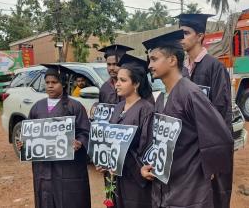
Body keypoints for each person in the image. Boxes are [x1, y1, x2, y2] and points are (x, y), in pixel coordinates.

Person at [140, 30, 234, 208]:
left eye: (154, 59)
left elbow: (219, 136)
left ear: (172, 60)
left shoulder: (191, 93)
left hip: (189, 186)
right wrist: (149, 163)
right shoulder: (161, 98)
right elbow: (160, 140)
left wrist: (210, 169)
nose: (150, 65)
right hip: (164, 183)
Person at [176, 13, 234, 208]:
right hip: (188, 150)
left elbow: (222, 113)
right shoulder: (182, 71)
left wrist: (215, 156)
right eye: (179, 33)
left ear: (200, 36)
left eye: (185, 33)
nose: (181, 38)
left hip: (209, 148)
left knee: (215, 195)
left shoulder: (215, 68)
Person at [17, 64, 91, 208]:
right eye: (47, 82)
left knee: (69, 200)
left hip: (68, 167)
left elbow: (85, 132)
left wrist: (80, 143)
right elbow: (29, 133)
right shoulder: (37, 107)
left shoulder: (74, 106)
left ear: (62, 84)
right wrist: (23, 144)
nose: (50, 86)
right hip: (43, 168)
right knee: (46, 198)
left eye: (54, 82)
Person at [98, 54, 154, 208]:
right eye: (117, 80)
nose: (117, 84)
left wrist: (134, 166)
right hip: (117, 176)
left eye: (123, 80)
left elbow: (147, 147)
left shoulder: (146, 110)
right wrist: (104, 160)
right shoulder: (117, 108)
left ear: (135, 83)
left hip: (136, 178)